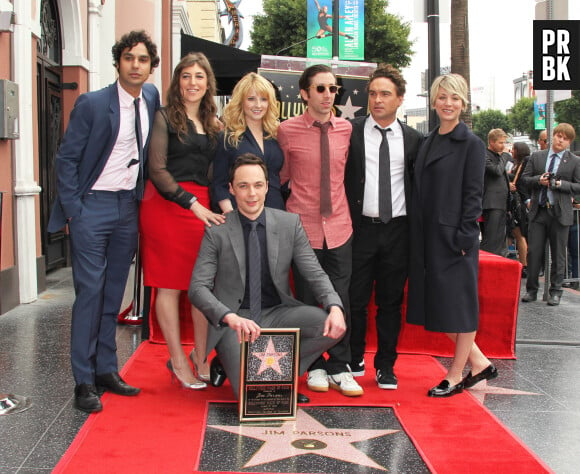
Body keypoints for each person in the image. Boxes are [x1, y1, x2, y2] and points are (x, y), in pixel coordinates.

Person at [47, 31, 161, 413]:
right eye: (129, 58)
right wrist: (75, 210)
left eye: (143, 59)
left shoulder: (151, 98)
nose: (135, 65)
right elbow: (66, 160)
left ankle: (107, 370)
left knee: (113, 293)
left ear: (150, 66)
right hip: (92, 207)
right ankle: (83, 380)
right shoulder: (92, 104)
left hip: (127, 207)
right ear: (118, 62)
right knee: (90, 294)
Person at [188, 153, 347, 399]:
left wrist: (335, 306)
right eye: (243, 186)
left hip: (278, 313)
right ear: (231, 189)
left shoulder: (289, 223)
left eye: (258, 185)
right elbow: (197, 288)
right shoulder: (217, 230)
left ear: (267, 187)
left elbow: (314, 272)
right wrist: (229, 317)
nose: (251, 193)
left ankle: (277, 377)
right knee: (252, 397)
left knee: (327, 325)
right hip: (235, 321)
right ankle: (238, 364)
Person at [407, 73, 497, 397]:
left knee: (459, 307)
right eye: (443, 97)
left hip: (455, 239)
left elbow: (474, 195)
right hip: (426, 237)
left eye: (455, 98)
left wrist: (465, 237)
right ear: (433, 101)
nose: (448, 103)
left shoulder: (471, 144)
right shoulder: (427, 140)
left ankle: (456, 373)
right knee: (437, 305)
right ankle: (480, 362)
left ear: (463, 103)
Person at [140, 52, 225, 389]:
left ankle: (202, 358)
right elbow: (157, 170)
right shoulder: (164, 117)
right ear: (177, 81)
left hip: (202, 208)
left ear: (208, 83)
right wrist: (191, 203)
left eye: (199, 77)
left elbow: (212, 172)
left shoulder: (214, 123)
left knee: (200, 287)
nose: (193, 83)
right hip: (166, 205)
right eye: (186, 76)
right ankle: (177, 360)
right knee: (170, 285)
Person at [278, 64, 362, 397]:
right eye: (321, 89)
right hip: (303, 230)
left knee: (341, 299)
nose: (328, 95)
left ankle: (340, 366)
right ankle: (314, 364)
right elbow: (282, 176)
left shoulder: (346, 130)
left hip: (340, 227)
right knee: (309, 300)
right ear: (304, 93)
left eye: (333, 89)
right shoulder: (287, 131)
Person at [345, 64, 423, 389]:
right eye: (373, 93)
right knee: (355, 298)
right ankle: (353, 357)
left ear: (399, 99)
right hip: (359, 228)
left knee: (390, 302)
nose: (377, 99)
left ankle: (386, 365)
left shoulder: (416, 139)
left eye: (385, 94)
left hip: (398, 232)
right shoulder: (349, 130)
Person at [519, 123, 580, 306]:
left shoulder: (574, 161)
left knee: (559, 254)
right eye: (558, 136)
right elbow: (525, 180)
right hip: (539, 211)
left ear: (569, 142)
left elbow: (578, 186)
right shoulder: (537, 157)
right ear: (552, 136)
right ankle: (531, 290)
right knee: (534, 252)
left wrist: (561, 185)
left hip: (560, 212)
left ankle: (556, 291)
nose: (561, 140)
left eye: (565, 138)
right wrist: (540, 180)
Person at [213, 72, 285, 212]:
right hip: (240, 212)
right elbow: (219, 183)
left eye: (263, 99)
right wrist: (231, 217)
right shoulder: (228, 137)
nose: (258, 105)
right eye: (251, 99)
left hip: (275, 212)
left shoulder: (276, 134)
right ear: (241, 101)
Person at [480, 129, 510, 257]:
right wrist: (504, 156)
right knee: (491, 239)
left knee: (499, 239)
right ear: (491, 142)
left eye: (504, 142)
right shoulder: (484, 155)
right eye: (500, 143)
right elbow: (496, 171)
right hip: (491, 203)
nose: (503, 146)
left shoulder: (497, 156)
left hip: (502, 202)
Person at [507, 142, 531, 277]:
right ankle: (523, 263)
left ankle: (524, 264)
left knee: (520, 234)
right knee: (518, 234)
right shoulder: (516, 163)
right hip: (517, 203)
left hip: (519, 203)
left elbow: (521, 181)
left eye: (514, 149)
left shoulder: (525, 162)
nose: (511, 151)